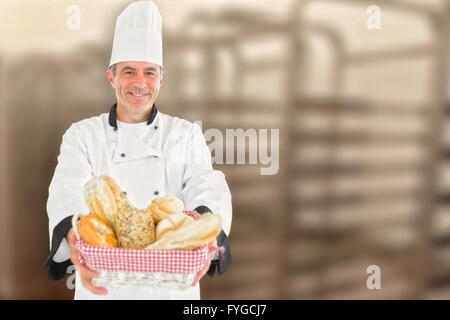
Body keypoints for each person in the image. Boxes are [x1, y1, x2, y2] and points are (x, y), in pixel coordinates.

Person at [42, 1, 232, 300]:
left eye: (150, 72)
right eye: (129, 72)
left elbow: (205, 185)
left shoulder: (186, 134)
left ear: (161, 78)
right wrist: (74, 242)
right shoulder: (82, 135)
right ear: (111, 77)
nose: (140, 83)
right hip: (104, 286)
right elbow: (67, 190)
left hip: (172, 286)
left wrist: (206, 240)